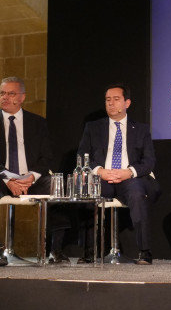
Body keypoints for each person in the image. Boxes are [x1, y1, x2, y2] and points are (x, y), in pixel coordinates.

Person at [60, 84, 161, 265]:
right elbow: (82, 155)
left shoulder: (141, 129)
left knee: (137, 194)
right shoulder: (93, 127)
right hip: (102, 177)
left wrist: (128, 172)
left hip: (129, 178)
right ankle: (90, 252)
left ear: (127, 103)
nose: (111, 104)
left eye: (116, 99)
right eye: (108, 100)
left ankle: (144, 251)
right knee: (88, 194)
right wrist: (100, 171)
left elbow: (149, 161)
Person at [0, 77, 65, 266]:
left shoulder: (38, 123)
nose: (5, 98)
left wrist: (31, 177)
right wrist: (9, 179)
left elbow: (47, 157)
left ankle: (56, 249)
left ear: (22, 97)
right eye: (2, 93)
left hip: (30, 178)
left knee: (57, 185)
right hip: (0, 176)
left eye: (11, 94)